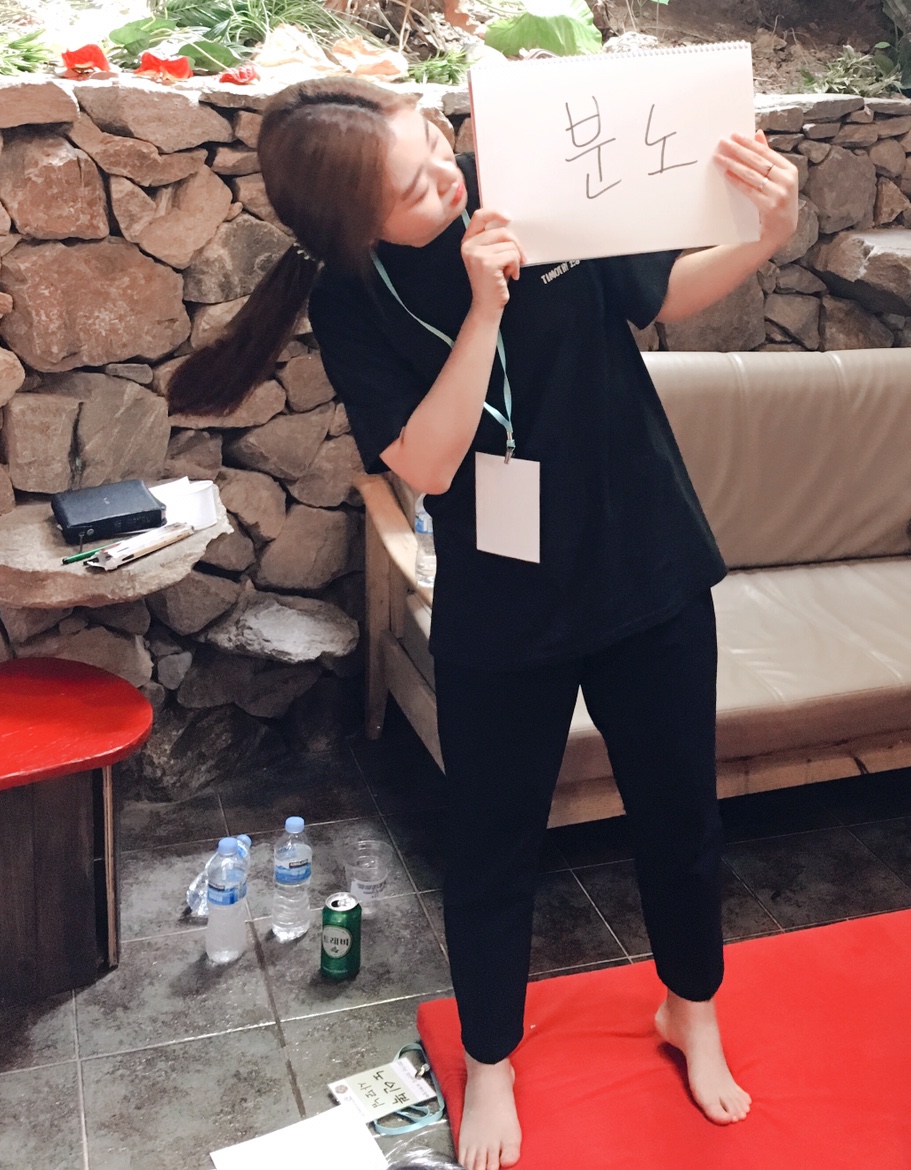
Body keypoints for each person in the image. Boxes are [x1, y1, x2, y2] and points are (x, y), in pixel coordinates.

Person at [168, 76, 801, 1170]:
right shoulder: (352, 299)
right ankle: (492, 1055)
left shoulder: (526, 178)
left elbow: (658, 294)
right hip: (503, 599)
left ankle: (690, 1011)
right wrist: (484, 308)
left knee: (679, 816)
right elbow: (424, 463)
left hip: (644, 559)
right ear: (355, 226)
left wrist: (767, 231)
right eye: (414, 185)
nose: (446, 177)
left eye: (432, 143)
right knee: (493, 843)